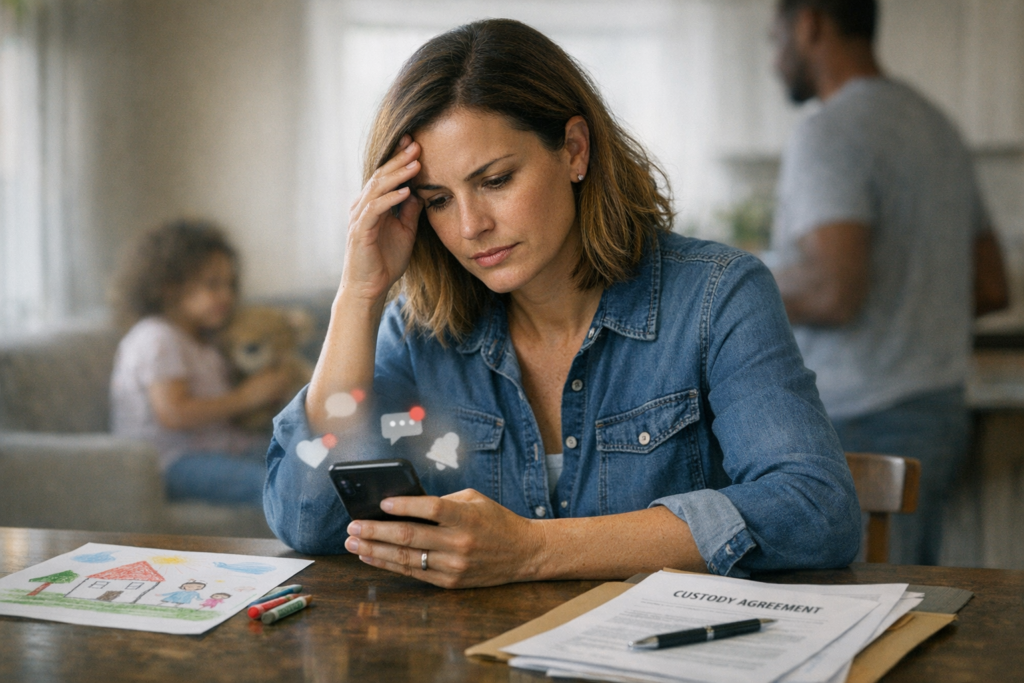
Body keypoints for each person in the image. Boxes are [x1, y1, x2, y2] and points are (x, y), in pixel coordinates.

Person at [264, 18, 860, 587]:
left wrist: (533, 551)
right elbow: (310, 521)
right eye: (438, 200)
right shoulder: (419, 332)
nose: (471, 226)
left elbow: (814, 510)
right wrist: (359, 295)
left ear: (574, 150)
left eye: (495, 181)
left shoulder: (717, 295)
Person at [765, 0, 1009, 565]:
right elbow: (994, 285)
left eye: (775, 37)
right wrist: (915, 308)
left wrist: (736, 288)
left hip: (862, 416)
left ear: (810, 24)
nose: (774, 59)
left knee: (863, 618)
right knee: (900, 597)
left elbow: (832, 289)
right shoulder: (936, 125)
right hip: (940, 409)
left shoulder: (828, 132)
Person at [110, 220, 294, 505]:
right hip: (172, 462)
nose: (227, 296)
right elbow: (173, 413)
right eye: (213, 285)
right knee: (273, 483)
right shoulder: (156, 337)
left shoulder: (202, 341)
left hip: (218, 449)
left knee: (299, 457)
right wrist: (247, 397)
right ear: (169, 288)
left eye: (230, 285)